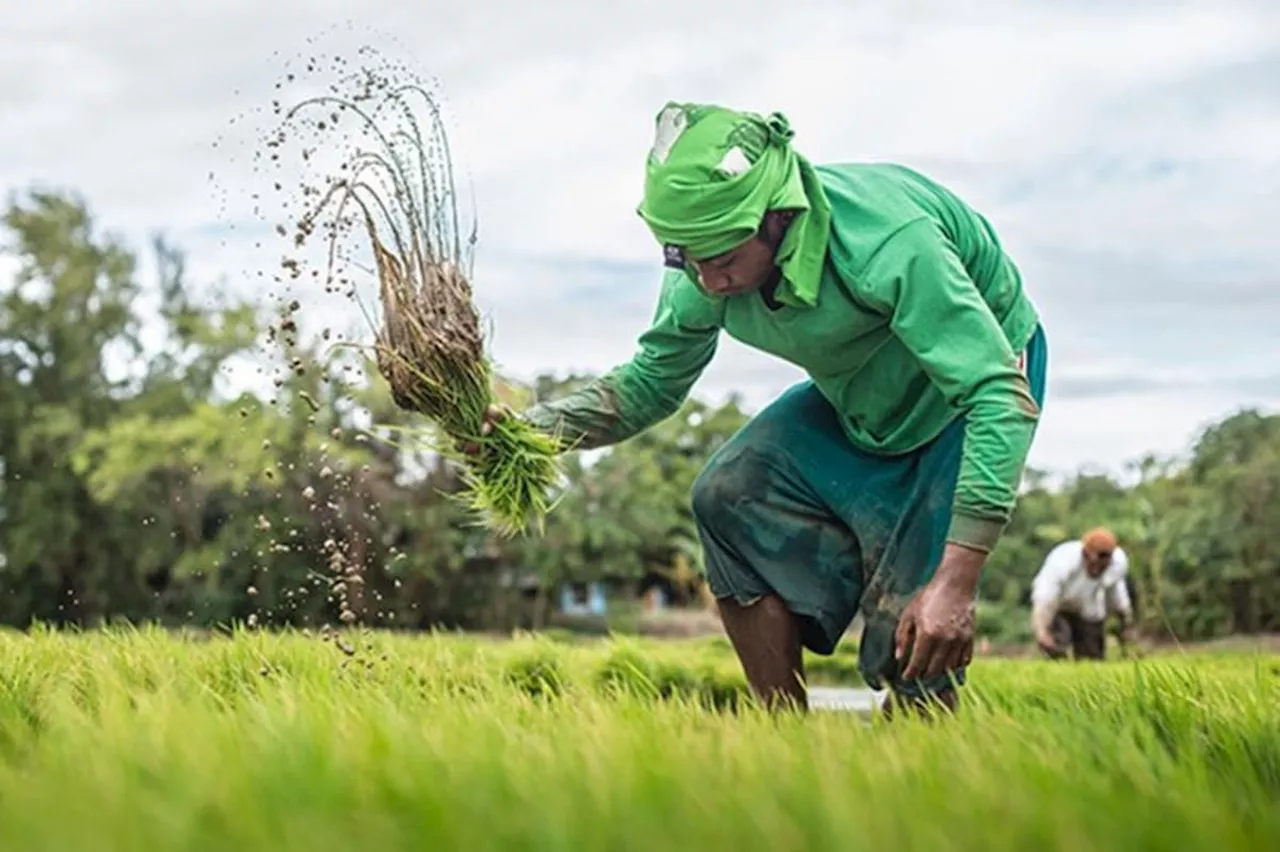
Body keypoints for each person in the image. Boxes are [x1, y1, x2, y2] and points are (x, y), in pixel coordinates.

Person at [469, 102, 1048, 716]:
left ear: (780, 217)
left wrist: (955, 583)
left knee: (915, 641)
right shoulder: (700, 270)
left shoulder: (887, 242)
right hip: (856, 393)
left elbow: (996, 394)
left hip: (969, 395)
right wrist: (536, 429)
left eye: (722, 259)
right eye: (687, 259)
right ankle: (779, 734)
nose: (710, 280)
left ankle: (927, 764)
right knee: (727, 492)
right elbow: (650, 383)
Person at [1030, 528, 1136, 661]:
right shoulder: (1062, 562)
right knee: (1057, 646)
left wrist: (1125, 621)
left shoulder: (1117, 564)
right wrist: (1042, 631)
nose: (1098, 568)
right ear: (1085, 554)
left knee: (1092, 657)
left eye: (1104, 563)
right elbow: (1045, 597)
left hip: (1089, 607)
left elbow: (1116, 594)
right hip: (1059, 606)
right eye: (1095, 562)